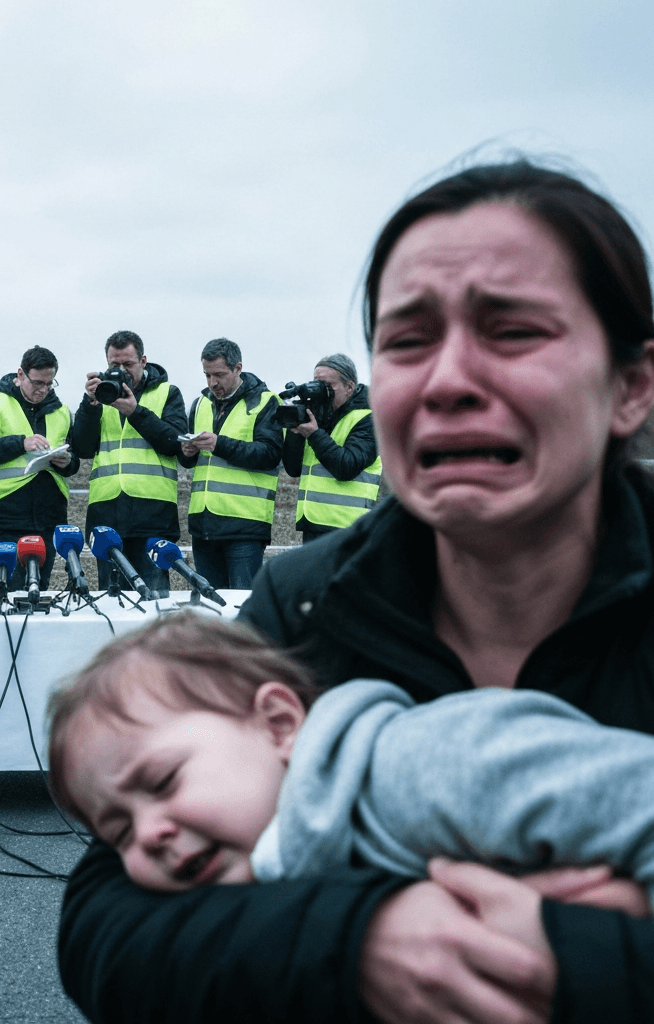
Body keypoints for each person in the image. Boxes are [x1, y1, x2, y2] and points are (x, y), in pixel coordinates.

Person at [57, 159, 654, 1024]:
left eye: (514, 331)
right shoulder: (299, 606)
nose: (447, 380)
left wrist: (574, 960)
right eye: (407, 341)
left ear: (632, 386)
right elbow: (103, 931)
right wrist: (364, 941)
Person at [48, 613, 654, 903]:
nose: (149, 834)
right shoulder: (256, 859)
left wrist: (614, 933)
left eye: (162, 781)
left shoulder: (425, 768)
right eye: (118, 831)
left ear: (280, 726)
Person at [72, 330, 187, 597]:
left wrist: (135, 412)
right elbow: (83, 448)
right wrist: (90, 405)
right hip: (107, 514)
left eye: (128, 364)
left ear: (143, 362)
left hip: (153, 514)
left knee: (154, 603)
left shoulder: (167, 393)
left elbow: (174, 442)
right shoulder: (101, 398)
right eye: (114, 365)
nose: (122, 371)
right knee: (113, 603)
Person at [0, 346, 79, 589]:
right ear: (20, 375)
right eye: (37, 382)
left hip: (51, 518)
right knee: (11, 591)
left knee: (40, 590)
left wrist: (67, 463)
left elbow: (74, 461)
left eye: (49, 384)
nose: (43, 389)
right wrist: (21, 443)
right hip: (8, 517)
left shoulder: (62, 412)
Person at [179, 338, 283, 589]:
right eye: (207, 375)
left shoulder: (266, 402)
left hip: (244, 526)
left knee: (241, 611)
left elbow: (270, 454)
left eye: (219, 375)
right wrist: (188, 451)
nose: (212, 382)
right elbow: (189, 462)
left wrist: (219, 444)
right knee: (210, 611)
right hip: (203, 524)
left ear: (238, 368)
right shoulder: (200, 403)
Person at [281, 353, 382, 543]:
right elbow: (293, 469)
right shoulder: (317, 416)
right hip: (312, 524)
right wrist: (296, 429)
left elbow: (346, 467)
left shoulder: (368, 419)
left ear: (349, 387)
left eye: (328, 386)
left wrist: (314, 434)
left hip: (348, 528)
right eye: (317, 384)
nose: (321, 391)